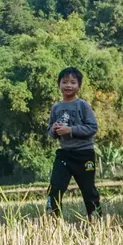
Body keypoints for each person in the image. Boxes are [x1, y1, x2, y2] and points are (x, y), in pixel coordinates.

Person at [45, 67, 101, 220]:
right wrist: (55, 130)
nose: (68, 85)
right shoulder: (56, 108)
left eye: (72, 82)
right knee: (55, 187)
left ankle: (95, 218)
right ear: (59, 85)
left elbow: (92, 127)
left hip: (84, 153)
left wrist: (70, 130)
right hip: (64, 153)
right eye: (64, 82)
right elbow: (50, 131)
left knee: (88, 189)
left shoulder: (82, 105)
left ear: (79, 86)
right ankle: (52, 220)